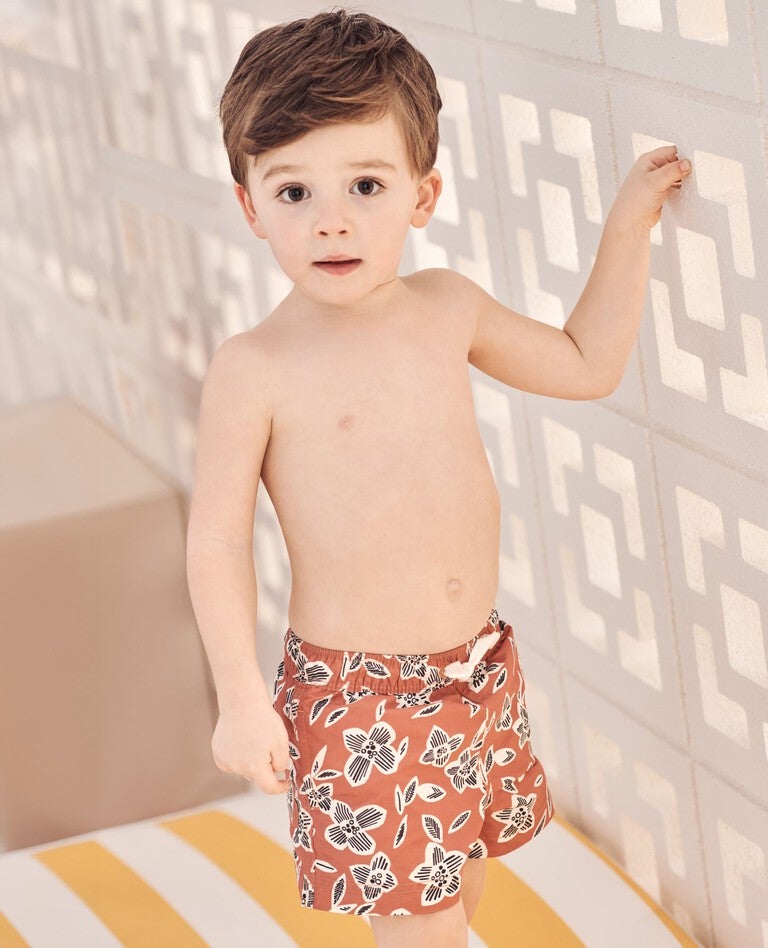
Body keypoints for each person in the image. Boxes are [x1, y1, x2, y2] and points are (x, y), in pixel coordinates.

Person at [185, 7, 692, 945]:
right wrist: (241, 696)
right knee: (423, 921)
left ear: (423, 195)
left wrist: (630, 227)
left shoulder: (446, 307)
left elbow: (585, 363)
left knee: (462, 876)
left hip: (473, 667)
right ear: (251, 207)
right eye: (293, 192)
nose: (331, 219)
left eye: (365, 184)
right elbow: (215, 539)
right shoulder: (255, 369)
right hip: (360, 696)